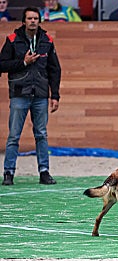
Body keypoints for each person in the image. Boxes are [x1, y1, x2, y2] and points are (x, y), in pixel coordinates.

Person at [0, 7, 61, 185]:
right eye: (29, 18)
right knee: (14, 135)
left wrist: (55, 95)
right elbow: (2, 64)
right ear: (24, 21)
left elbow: (55, 70)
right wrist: (23, 62)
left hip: (41, 95)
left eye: (35, 18)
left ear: (39, 21)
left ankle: (44, 172)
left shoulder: (47, 41)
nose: (33, 21)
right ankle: (8, 173)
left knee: (41, 134)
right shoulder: (12, 40)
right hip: (19, 93)